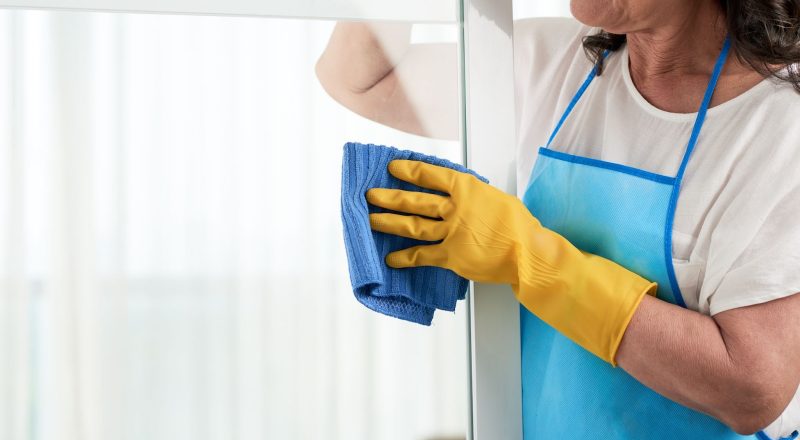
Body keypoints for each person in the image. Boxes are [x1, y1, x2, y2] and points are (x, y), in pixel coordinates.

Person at [315, 1, 800, 438]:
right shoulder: (546, 62)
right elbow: (358, 79)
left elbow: (752, 387)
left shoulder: (780, 125)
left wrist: (529, 259)